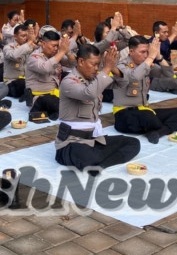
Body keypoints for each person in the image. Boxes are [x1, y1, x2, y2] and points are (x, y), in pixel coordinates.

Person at [55, 44, 141, 173]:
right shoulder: (69, 81)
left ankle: (100, 165)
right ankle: (94, 161)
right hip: (71, 143)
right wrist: (106, 68)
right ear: (81, 61)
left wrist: (112, 67)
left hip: (93, 139)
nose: (96, 69)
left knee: (133, 143)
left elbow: (122, 83)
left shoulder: (94, 78)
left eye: (98, 65)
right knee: (85, 156)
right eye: (93, 64)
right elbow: (89, 93)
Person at [113, 36, 177, 143]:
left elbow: (169, 75)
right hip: (125, 114)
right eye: (142, 52)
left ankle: (158, 131)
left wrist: (158, 57)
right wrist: (151, 57)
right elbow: (134, 76)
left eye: (147, 52)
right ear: (131, 51)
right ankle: (167, 127)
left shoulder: (146, 64)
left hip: (144, 110)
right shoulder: (122, 66)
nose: (146, 55)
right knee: (148, 117)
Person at [25, 30, 70, 121]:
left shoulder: (55, 55)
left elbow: (72, 64)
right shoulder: (34, 57)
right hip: (38, 97)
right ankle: (53, 110)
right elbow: (45, 68)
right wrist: (61, 52)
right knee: (55, 102)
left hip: (54, 94)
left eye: (57, 46)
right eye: (53, 46)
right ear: (43, 44)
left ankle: (54, 111)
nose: (56, 49)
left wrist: (67, 52)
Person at [2, 23, 36, 98]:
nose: (25, 38)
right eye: (22, 36)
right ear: (15, 36)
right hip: (12, 82)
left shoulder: (30, 47)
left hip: (27, 81)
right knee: (21, 84)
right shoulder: (8, 47)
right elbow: (15, 55)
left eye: (27, 36)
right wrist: (29, 42)